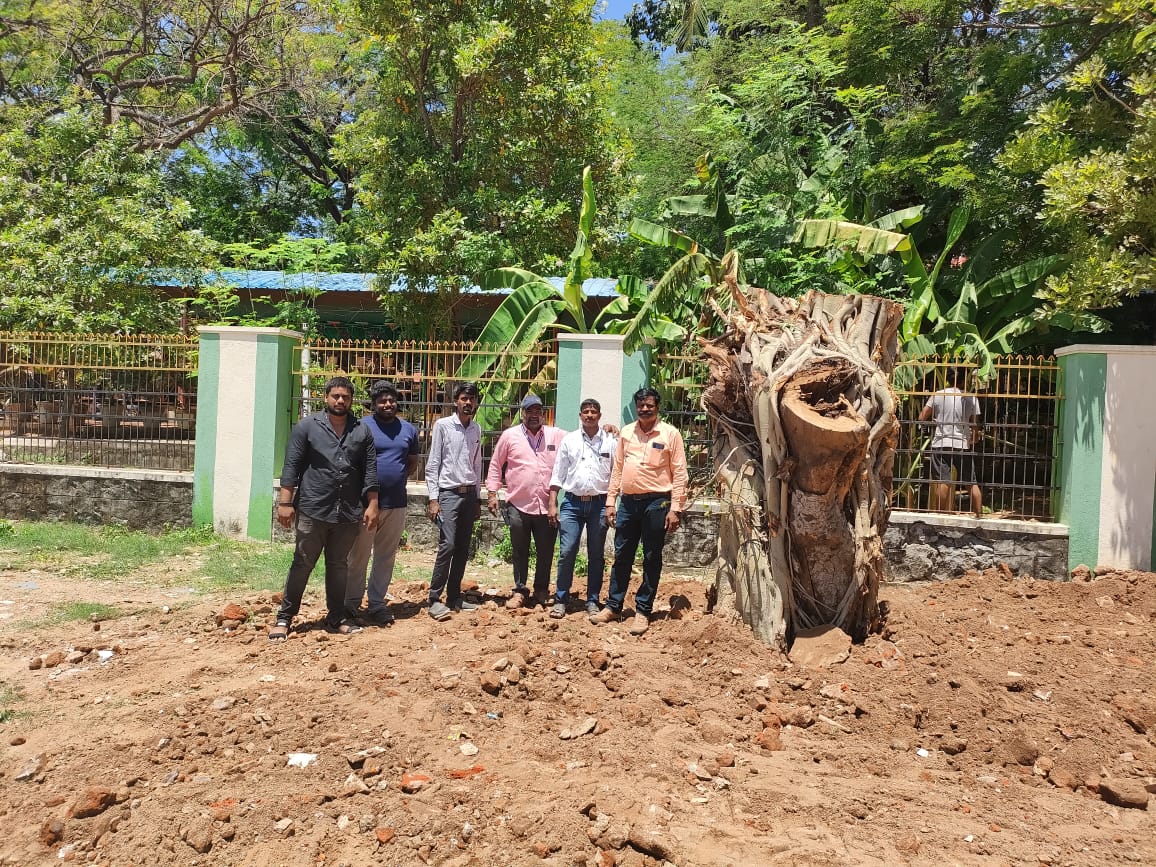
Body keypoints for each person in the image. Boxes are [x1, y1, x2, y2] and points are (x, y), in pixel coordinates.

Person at [269, 376, 379, 640]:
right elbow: (291, 465)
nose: (340, 400)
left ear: (351, 400)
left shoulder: (361, 430)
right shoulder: (307, 427)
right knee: (302, 563)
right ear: (326, 397)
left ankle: (337, 616)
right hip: (313, 508)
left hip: (348, 511)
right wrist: (285, 502)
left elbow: (370, 470)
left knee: (339, 565)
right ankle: (285, 618)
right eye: (335, 396)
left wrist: (373, 504)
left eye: (345, 397)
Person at [591, 387, 688, 636]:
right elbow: (617, 469)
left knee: (651, 556)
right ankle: (614, 606)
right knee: (622, 554)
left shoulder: (670, 434)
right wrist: (611, 501)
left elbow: (679, 474)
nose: (645, 409)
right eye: (641, 405)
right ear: (636, 407)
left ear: (657, 407)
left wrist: (675, 508)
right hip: (629, 504)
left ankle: (643, 611)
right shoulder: (626, 433)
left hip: (657, 503)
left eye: (649, 405)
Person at [345, 381, 419, 626]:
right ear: (374, 404)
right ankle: (352, 604)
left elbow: (411, 463)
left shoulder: (408, 429)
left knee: (386, 556)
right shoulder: (361, 426)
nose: (388, 404)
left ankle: (377, 604)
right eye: (382, 401)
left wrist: (392, 478)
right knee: (359, 555)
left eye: (391, 400)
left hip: (396, 502)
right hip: (366, 504)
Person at [487, 394, 566, 610]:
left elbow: (580, 440)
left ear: (543, 413)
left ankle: (541, 589)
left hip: (546, 506)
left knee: (546, 549)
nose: (534, 415)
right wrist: (492, 493)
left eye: (538, 411)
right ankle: (520, 590)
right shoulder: (509, 436)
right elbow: (496, 464)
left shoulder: (555, 435)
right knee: (519, 549)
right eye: (529, 411)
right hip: (518, 505)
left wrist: (606, 430)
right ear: (522, 413)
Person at [547, 398, 616, 619]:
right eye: (585, 411)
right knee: (567, 552)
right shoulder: (570, 441)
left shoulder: (610, 442)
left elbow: (617, 474)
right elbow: (558, 473)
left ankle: (593, 600)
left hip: (599, 504)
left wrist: (611, 504)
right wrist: (552, 502)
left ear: (599, 415)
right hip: (572, 504)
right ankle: (561, 599)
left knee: (596, 555)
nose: (589, 415)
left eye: (593, 411)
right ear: (580, 415)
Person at [425, 382, 483, 621]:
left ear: (476, 402)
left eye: (471, 399)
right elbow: (433, 463)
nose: (467, 403)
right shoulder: (443, 426)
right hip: (448, 494)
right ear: (456, 401)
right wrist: (433, 498)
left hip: (469, 494)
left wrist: (478, 497)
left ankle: (454, 596)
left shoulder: (477, 429)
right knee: (447, 545)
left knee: (462, 547)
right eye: (463, 398)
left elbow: (477, 465)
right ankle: (434, 599)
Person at [919, 366, 983, 518]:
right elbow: (975, 424)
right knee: (970, 481)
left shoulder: (938, 395)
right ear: (963, 380)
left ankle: (941, 515)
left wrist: (935, 422)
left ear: (948, 379)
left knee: (943, 481)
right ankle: (979, 515)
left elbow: (922, 417)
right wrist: (973, 437)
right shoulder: (971, 398)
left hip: (941, 442)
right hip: (962, 444)